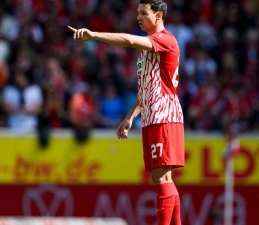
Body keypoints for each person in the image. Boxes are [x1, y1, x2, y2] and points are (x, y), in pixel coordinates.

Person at [68, 1, 184, 224]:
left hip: (164, 115)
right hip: (152, 116)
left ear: (158, 15)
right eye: (137, 13)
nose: (138, 17)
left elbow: (129, 40)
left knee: (161, 177)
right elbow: (144, 92)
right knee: (163, 177)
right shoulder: (146, 53)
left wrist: (93, 35)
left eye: (143, 13)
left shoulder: (166, 39)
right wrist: (130, 117)